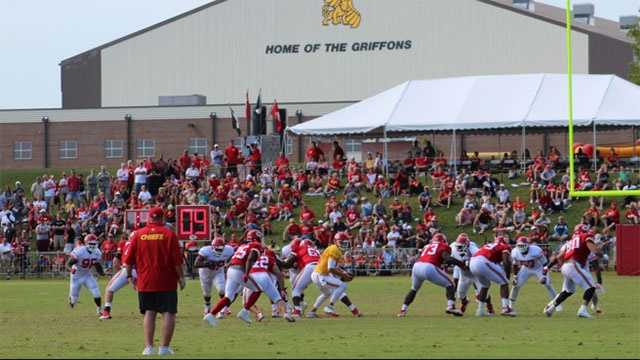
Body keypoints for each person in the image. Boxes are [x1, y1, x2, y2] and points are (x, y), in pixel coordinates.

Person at [123, 207, 185, 356]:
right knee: (169, 313)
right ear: (162, 218)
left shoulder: (138, 235)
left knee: (149, 312)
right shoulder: (169, 234)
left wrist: (129, 277)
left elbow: (128, 260)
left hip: (145, 281)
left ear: (148, 218)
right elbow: (177, 261)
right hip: (167, 280)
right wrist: (181, 278)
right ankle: (164, 348)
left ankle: (148, 347)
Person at [397, 233, 464, 317]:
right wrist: (462, 264)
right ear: (443, 240)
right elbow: (448, 258)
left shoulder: (427, 246)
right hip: (429, 267)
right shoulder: (443, 245)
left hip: (417, 266)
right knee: (450, 284)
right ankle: (451, 306)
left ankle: (403, 310)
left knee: (413, 289)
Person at [543, 226, 602, 318]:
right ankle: (582, 310)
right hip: (574, 265)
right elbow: (595, 252)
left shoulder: (570, 242)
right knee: (591, 287)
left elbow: (559, 256)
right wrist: (599, 250)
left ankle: (551, 308)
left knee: (568, 291)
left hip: (566, 267)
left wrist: (547, 267)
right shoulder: (586, 236)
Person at [308, 232, 361, 318]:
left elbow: (334, 267)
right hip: (321, 275)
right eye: (341, 242)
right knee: (342, 285)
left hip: (318, 274)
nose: (343, 244)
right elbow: (331, 268)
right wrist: (344, 275)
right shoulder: (334, 250)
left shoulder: (335, 249)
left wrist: (344, 273)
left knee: (327, 293)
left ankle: (312, 312)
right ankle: (330, 307)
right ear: (335, 241)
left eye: (345, 242)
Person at [508, 237, 560, 314]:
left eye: (523, 245)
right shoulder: (515, 252)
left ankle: (557, 304)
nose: (521, 247)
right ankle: (510, 306)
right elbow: (515, 265)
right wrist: (515, 276)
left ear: (527, 245)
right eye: (519, 246)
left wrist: (544, 276)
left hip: (539, 268)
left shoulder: (535, 250)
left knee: (548, 284)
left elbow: (545, 263)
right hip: (525, 269)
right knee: (515, 285)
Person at [469, 236, 515, 317]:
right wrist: (507, 276)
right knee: (504, 282)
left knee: (485, 285)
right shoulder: (504, 246)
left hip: (472, 262)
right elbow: (506, 261)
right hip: (483, 261)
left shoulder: (490, 245)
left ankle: (480, 311)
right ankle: (506, 308)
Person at [193, 237, 235, 316]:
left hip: (218, 272)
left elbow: (233, 258)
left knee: (222, 290)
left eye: (221, 248)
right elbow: (196, 264)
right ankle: (207, 306)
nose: (219, 250)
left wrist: (228, 264)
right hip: (205, 273)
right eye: (217, 248)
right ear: (212, 247)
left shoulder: (229, 250)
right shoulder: (205, 251)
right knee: (207, 293)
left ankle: (223, 308)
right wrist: (207, 264)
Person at [67, 234, 104, 312]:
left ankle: (99, 309)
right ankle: (72, 300)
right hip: (76, 276)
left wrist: (101, 272)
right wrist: (71, 269)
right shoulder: (79, 251)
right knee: (74, 297)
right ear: (86, 243)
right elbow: (68, 264)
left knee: (96, 291)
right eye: (91, 244)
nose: (93, 246)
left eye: (94, 244)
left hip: (87, 275)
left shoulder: (97, 252)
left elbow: (96, 264)